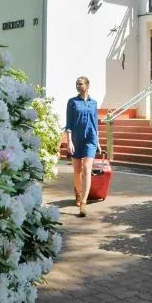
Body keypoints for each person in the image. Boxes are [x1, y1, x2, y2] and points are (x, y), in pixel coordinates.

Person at [64, 76, 100, 217]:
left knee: (87, 169)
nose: (78, 86)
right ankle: (78, 193)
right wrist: (69, 141)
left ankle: (84, 202)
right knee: (77, 170)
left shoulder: (94, 103)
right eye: (77, 84)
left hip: (90, 139)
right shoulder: (72, 102)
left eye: (80, 84)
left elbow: (95, 123)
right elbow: (69, 124)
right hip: (76, 139)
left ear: (87, 85)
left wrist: (98, 142)